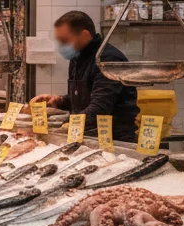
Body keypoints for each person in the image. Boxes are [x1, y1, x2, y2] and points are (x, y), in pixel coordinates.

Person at [32, 11, 140, 142]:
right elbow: (82, 99)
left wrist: (67, 126)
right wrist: (59, 100)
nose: (61, 46)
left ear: (85, 35)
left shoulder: (107, 59)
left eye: (65, 41)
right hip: (87, 135)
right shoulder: (77, 58)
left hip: (113, 140)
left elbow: (100, 107)